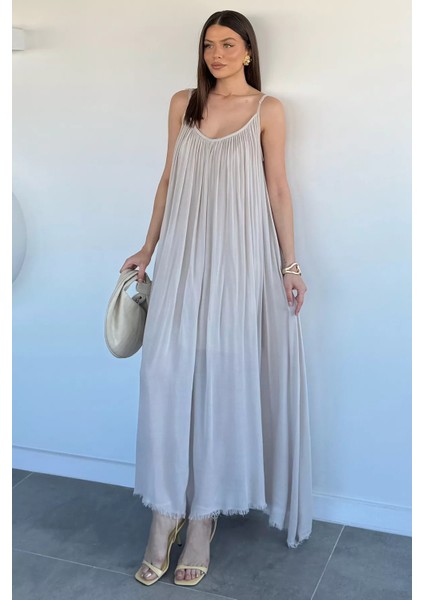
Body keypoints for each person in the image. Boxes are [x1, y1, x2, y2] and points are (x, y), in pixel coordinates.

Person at [119, 9, 313, 587]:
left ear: (248, 51)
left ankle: (202, 519)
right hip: (182, 258)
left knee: (222, 383)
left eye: (229, 44)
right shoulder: (184, 104)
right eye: (209, 45)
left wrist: (290, 265)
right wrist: (148, 248)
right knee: (165, 376)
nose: (217, 54)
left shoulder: (267, 109)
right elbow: (167, 180)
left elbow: (278, 188)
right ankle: (165, 514)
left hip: (239, 263)